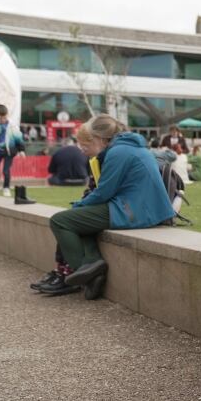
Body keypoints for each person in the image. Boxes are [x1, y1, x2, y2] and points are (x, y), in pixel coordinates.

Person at [48, 114, 175, 292]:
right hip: (141, 208)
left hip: (135, 211)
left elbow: (103, 192)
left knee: (59, 221)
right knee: (80, 221)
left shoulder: (118, 152)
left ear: (99, 138)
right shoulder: (127, 147)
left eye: (90, 139)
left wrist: (79, 205)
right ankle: (92, 265)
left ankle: (85, 273)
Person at [33, 125, 106, 298]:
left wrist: (83, 204)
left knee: (63, 220)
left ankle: (69, 273)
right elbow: (95, 187)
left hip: (115, 208)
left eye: (85, 146)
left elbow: (102, 190)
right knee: (73, 219)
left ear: (97, 141)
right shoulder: (96, 159)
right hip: (86, 187)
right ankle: (76, 272)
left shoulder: (106, 159)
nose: (82, 150)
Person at [0, 104, 26, 197]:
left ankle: (6, 188)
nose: (2, 119)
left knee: (6, 171)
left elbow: (19, 138)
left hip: (9, 151)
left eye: (4, 117)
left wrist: (21, 150)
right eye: (0, 117)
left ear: (7, 115)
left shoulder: (12, 126)